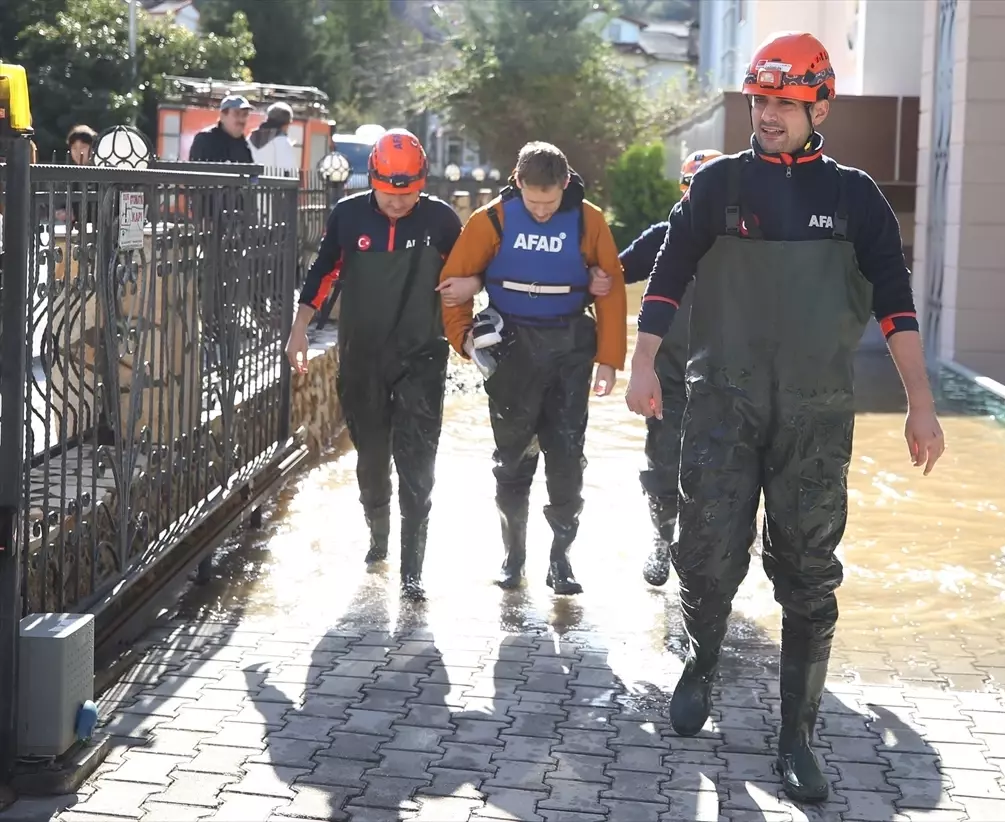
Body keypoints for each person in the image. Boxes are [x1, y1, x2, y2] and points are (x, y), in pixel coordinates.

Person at [624, 32, 946, 804]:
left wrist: (921, 403)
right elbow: (667, 274)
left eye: (784, 104)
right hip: (721, 406)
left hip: (815, 414)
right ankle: (701, 658)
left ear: (818, 108)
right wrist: (641, 361)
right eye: (759, 101)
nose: (767, 115)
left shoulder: (855, 198)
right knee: (705, 554)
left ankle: (796, 735)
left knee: (808, 575)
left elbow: (896, 305)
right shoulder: (717, 187)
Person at [437, 141, 626, 596]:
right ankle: (513, 556)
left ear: (565, 185)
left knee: (566, 459)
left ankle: (561, 559)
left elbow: (613, 288)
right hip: (512, 350)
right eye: (533, 201)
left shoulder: (589, 220)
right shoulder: (491, 220)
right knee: (512, 461)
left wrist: (609, 360)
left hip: (570, 348)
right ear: (517, 183)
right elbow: (452, 287)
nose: (541, 212)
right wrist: (463, 340)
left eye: (550, 201)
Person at [285, 129, 462, 601]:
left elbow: (471, 271)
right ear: (373, 181)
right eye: (390, 194)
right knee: (371, 457)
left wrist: (470, 293)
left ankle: (412, 569)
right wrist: (300, 328)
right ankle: (378, 536)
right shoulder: (348, 215)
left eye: (409, 195)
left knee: (418, 462)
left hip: (421, 355)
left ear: (422, 184)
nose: (399, 204)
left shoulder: (442, 221)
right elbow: (322, 272)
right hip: (362, 357)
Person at [592, 149, 723, 588]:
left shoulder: (746, 246)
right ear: (683, 192)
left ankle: (713, 557)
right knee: (664, 466)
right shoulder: (664, 237)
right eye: (693, 191)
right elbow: (613, 271)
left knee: (723, 471)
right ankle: (661, 542)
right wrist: (590, 277)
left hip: (728, 381)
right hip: (667, 377)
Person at [189, 95, 255, 164]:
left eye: (245, 114)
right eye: (236, 113)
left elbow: (251, 172)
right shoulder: (205, 140)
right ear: (222, 116)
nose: (241, 119)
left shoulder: (243, 145)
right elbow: (194, 171)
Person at [248, 102, 299, 174]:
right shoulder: (282, 142)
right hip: (273, 185)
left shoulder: (249, 139)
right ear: (286, 124)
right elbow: (290, 173)